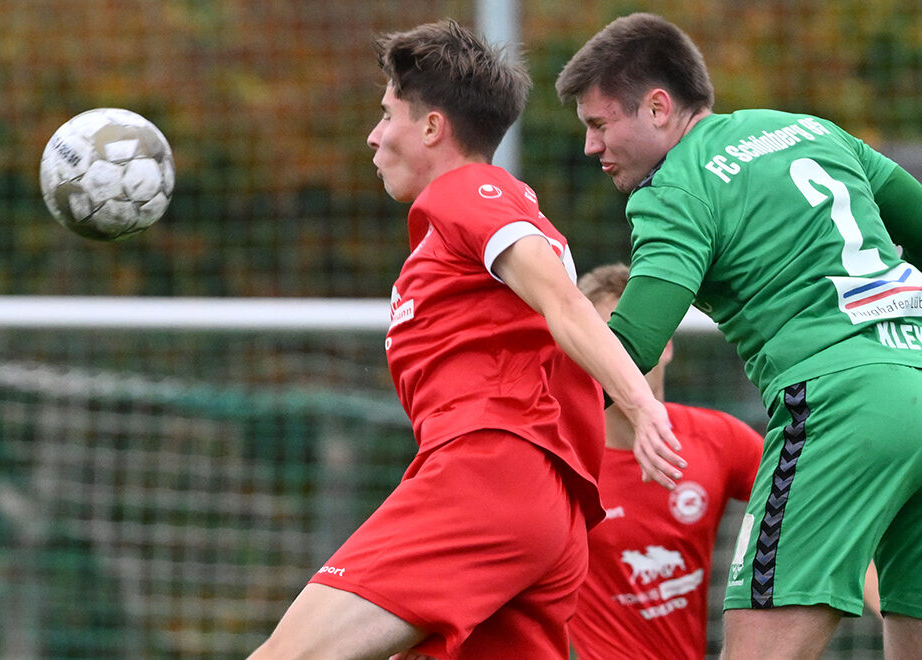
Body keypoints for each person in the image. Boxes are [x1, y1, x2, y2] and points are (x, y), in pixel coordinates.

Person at [248, 19, 680, 660]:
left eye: (387, 113)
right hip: (542, 510)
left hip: (488, 477)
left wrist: (643, 406)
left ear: (431, 128)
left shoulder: (470, 193)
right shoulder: (461, 229)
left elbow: (564, 303)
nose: (374, 135)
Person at [556, 12, 922, 659]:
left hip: (839, 404)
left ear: (659, 108)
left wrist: (526, 414)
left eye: (598, 124)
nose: (591, 147)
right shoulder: (807, 128)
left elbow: (634, 341)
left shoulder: (672, 187)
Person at [570, 262, 764, 660]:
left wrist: (886, 605)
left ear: (669, 344)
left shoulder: (719, 439)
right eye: (608, 342)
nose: (624, 358)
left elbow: (812, 507)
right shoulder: (560, 464)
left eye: (641, 338)